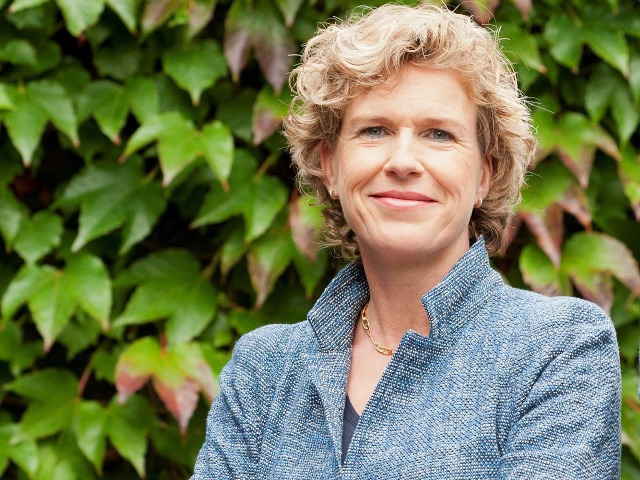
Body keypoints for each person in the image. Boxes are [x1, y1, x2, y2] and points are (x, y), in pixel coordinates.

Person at [192, 3, 621, 478]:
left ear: (484, 175)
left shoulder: (556, 350)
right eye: (374, 130)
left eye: (438, 134)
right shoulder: (263, 371)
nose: (402, 161)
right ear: (330, 166)